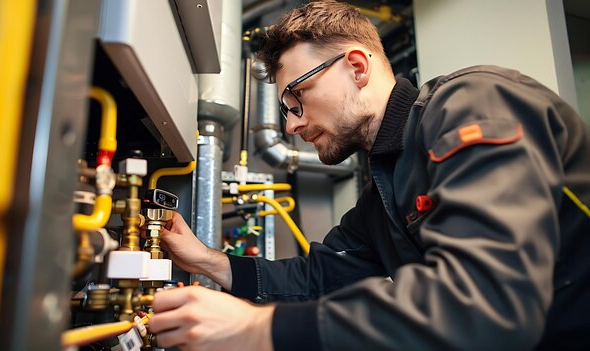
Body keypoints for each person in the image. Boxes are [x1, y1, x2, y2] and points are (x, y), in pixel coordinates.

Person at [147, 1, 590, 350]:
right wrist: (206, 260)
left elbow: (487, 301)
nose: (291, 126)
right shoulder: (384, 192)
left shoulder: (474, 102)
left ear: (357, 67)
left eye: (296, 97)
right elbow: (315, 278)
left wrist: (261, 329)